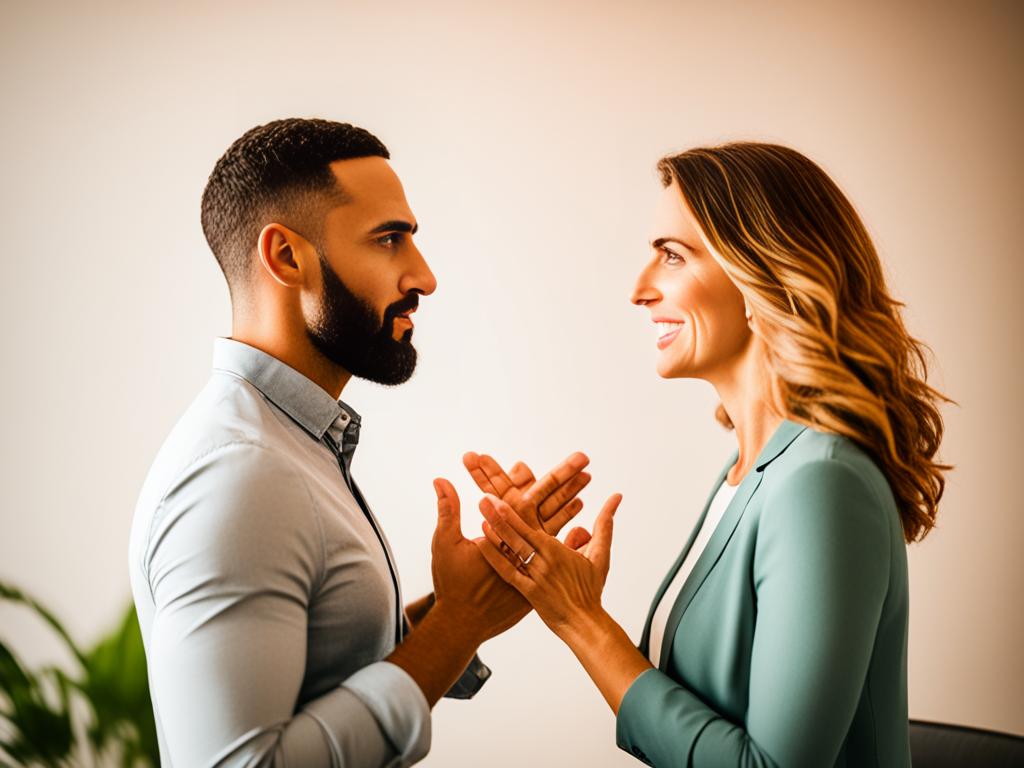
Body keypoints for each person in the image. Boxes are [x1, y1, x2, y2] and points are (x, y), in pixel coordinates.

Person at [128, 118, 594, 767]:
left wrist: (470, 600)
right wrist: (458, 623)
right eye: (389, 240)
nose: (425, 277)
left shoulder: (288, 446)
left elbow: (319, 677)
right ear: (287, 257)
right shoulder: (240, 475)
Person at [470, 142, 951, 767]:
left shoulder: (820, 482)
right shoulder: (747, 472)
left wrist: (582, 620)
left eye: (672, 256)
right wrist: (560, 593)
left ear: (761, 275)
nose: (639, 290)